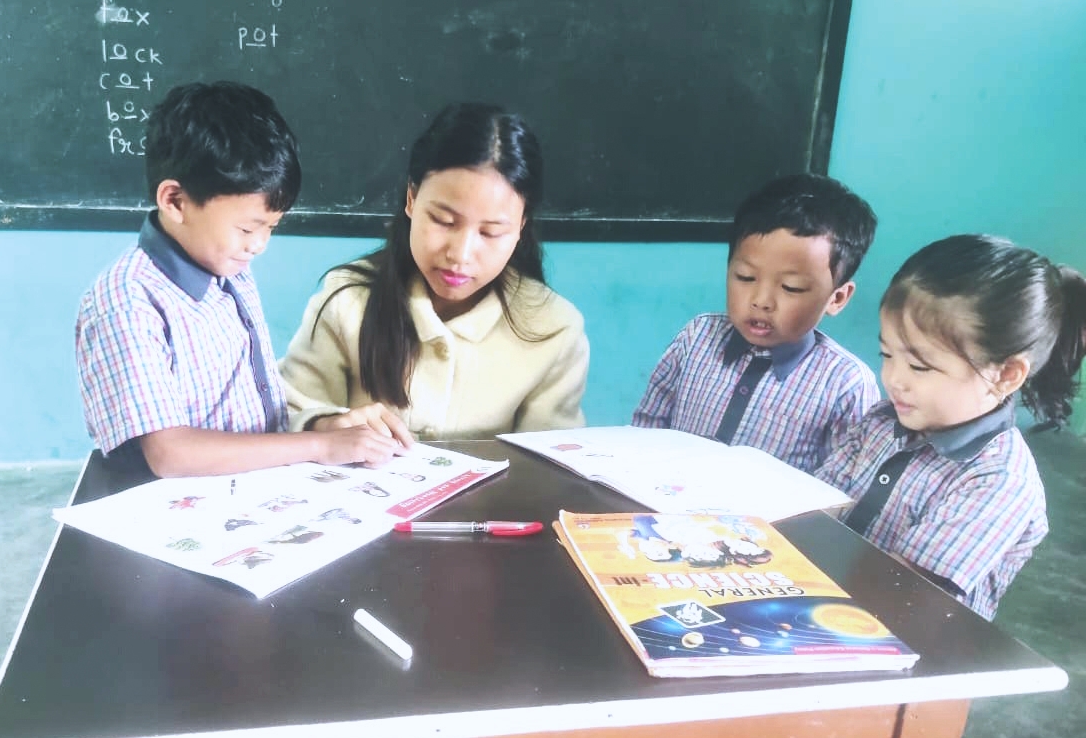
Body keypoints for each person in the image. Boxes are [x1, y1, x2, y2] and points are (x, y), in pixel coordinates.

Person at [75, 81, 412, 477]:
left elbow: (248, 411)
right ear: (175, 201)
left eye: (271, 227)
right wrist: (319, 445)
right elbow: (171, 454)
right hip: (172, 515)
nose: (260, 245)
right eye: (248, 229)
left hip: (251, 495)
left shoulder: (226, 266)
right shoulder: (128, 300)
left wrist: (323, 425)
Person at [278, 102, 589, 441]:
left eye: (490, 232)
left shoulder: (553, 328)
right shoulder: (348, 299)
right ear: (411, 199)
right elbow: (289, 409)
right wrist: (325, 424)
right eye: (444, 221)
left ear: (520, 227)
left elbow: (552, 464)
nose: (460, 254)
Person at [815, 235, 1086, 620]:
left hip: (904, 644)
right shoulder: (881, 421)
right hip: (821, 605)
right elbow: (813, 507)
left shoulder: (998, 480)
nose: (894, 379)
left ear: (1006, 375)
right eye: (887, 355)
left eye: (920, 366)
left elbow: (903, 591)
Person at [631, 173, 880, 473]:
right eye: (745, 278)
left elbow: (841, 485)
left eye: (791, 287)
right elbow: (647, 427)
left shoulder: (845, 384)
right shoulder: (697, 336)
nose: (762, 300)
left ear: (837, 298)